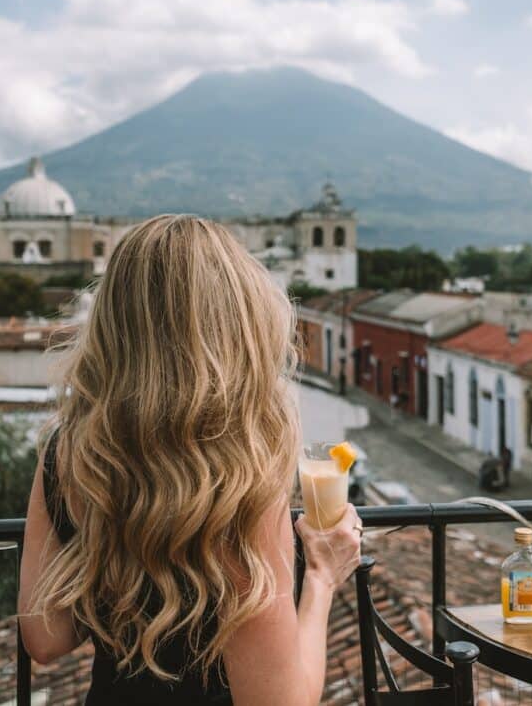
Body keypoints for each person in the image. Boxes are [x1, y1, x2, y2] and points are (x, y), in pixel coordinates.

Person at [19, 215, 362, 706]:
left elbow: (46, 638)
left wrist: (118, 566)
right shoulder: (242, 476)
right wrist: (324, 579)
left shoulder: (70, 451)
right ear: (239, 324)